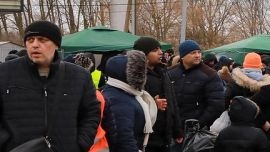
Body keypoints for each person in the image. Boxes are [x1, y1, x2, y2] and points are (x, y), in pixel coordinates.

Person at [0, 21, 102, 152]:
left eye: (42, 40)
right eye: (30, 40)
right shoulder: (4, 73)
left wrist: (80, 144)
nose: (35, 45)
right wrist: (5, 143)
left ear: (56, 44)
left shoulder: (79, 76)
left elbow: (91, 114)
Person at [166, 39, 226, 147]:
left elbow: (217, 105)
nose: (197, 55)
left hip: (196, 133)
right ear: (183, 56)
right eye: (193, 53)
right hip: (170, 131)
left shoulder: (210, 74)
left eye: (199, 52)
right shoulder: (170, 72)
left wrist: (197, 125)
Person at [103, 51, 161, 152]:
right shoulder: (117, 99)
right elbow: (123, 138)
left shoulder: (124, 93)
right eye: (139, 72)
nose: (143, 74)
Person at [135, 37, 173, 152]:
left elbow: (172, 101)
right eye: (155, 50)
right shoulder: (136, 76)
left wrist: (177, 129)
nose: (161, 52)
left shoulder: (163, 72)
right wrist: (153, 104)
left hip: (163, 136)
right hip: (145, 138)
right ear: (144, 54)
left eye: (160, 49)